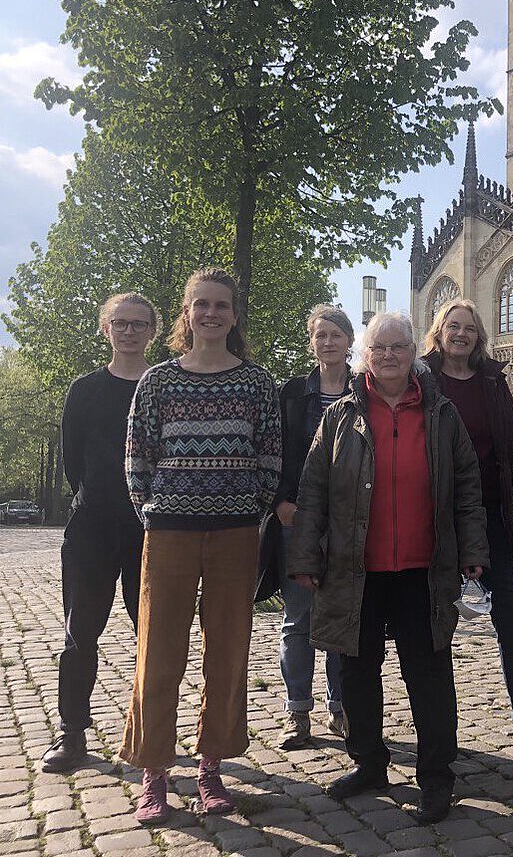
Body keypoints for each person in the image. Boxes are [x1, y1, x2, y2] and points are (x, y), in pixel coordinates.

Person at [289, 311, 488, 825]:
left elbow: (467, 488)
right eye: (379, 349)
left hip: (425, 569)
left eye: (398, 347)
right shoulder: (340, 417)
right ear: (365, 356)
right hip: (356, 569)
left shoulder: (442, 415)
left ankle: (436, 776)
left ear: (414, 353)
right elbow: (311, 492)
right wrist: (306, 557)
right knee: (358, 672)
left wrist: (473, 552)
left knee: (429, 675)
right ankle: (370, 763)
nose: (389, 356)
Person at [122, 268, 281, 824]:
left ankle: (211, 766)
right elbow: (137, 456)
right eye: (201, 305)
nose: (211, 313)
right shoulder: (158, 382)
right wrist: (150, 510)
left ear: (235, 315)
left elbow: (270, 458)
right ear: (186, 315)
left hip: (235, 534)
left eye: (221, 305)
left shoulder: (258, 384)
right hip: (168, 533)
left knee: (228, 652)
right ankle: (154, 770)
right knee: (159, 653)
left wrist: (252, 512)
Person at [422, 298, 513, 754]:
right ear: (439, 332)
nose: (460, 334)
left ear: (479, 336)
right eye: (453, 326)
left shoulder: (493, 379)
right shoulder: (422, 378)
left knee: (512, 623)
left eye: (468, 327)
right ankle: (437, 735)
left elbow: (512, 449)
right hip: (435, 518)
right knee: (431, 625)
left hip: (490, 516)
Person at [42, 293, 158, 774]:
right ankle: (72, 734)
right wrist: (95, 498)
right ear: (105, 328)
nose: (129, 331)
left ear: (153, 330)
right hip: (91, 528)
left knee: (152, 634)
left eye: (139, 324)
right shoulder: (84, 389)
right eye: (120, 323)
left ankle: (154, 733)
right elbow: (74, 460)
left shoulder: (162, 385)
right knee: (79, 632)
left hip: (149, 528)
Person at [272, 304, 355, 749]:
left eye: (335, 335)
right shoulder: (291, 393)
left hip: (347, 523)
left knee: (341, 616)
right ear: (312, 341)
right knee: (298, 620)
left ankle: (340, 706)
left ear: (349, 341)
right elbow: (275, 451)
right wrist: (281, 502)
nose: (328, 342)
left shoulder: (365, 391)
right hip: (298, 519)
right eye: (320, 335)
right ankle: (297, 711)